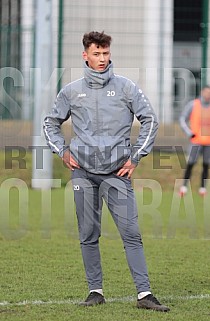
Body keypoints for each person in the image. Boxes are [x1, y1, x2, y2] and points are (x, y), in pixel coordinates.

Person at [43, 31, 169, 312]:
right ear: (85, 55)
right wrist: (62, 151)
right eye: (96, 54)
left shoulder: (126, 88)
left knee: (131, 233)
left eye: (106, 53)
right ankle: (95, 291)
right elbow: (50, 122)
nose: (102, 59)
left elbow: (150, 120)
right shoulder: (72, 91)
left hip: (117, 174)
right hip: (83, 173)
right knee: (88, 233)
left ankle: (144, 294)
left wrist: (135, 157)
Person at [179, 85, 210, 197]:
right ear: (202, 92)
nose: (208, 95)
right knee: (191, 163)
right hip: (196, 141)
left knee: (206, 165)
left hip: (208, 142)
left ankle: (202, 189)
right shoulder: (193, 104)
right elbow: (182, 119)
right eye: (206, 92)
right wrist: (189, 132)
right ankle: (183, 187)